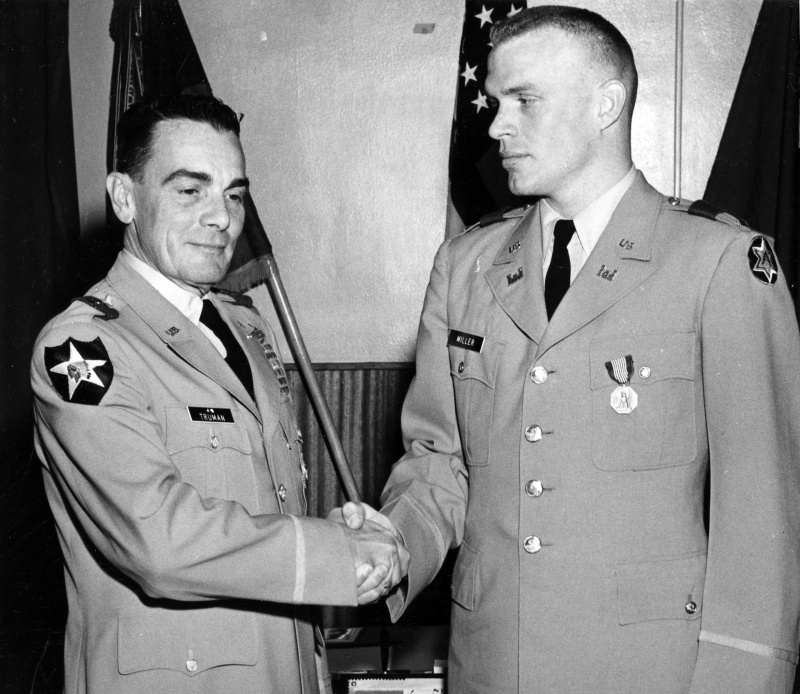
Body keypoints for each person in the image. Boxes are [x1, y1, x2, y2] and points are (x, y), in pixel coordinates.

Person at [338, 5, 800, 693]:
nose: (496, 126)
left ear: (604, 104)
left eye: (524, 100)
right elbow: (439, 462)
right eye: (496, 102)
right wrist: (394, 542)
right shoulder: (466, 266)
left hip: (651, 671)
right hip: (493, 664)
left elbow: (762, 510)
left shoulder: (717, 262)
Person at [31, 94, 406, 694]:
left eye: (234, 195)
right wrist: (337, 554)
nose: (222, 218)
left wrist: (341, 555)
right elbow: (159, 542)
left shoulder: (244, 326)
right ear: (124, 197)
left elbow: (262, 511)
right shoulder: (83, 349)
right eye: (190, 190)